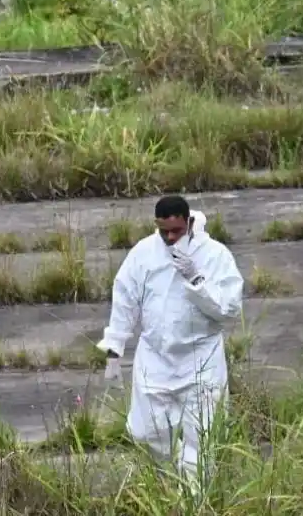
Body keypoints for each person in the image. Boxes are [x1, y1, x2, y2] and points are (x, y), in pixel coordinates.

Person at [96, 195, 244, 487]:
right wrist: (115, 347)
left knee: (199, 441)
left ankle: (193, 502)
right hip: (156, 358)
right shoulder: (145, 253)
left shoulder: (215, 255)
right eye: (164, 231)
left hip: (201, 359)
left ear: (189, 222)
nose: (170, 237)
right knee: (145, 432)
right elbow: (125, 296)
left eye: (176, 230)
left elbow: (228, 310)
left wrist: (196, 279)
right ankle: (163, 492)